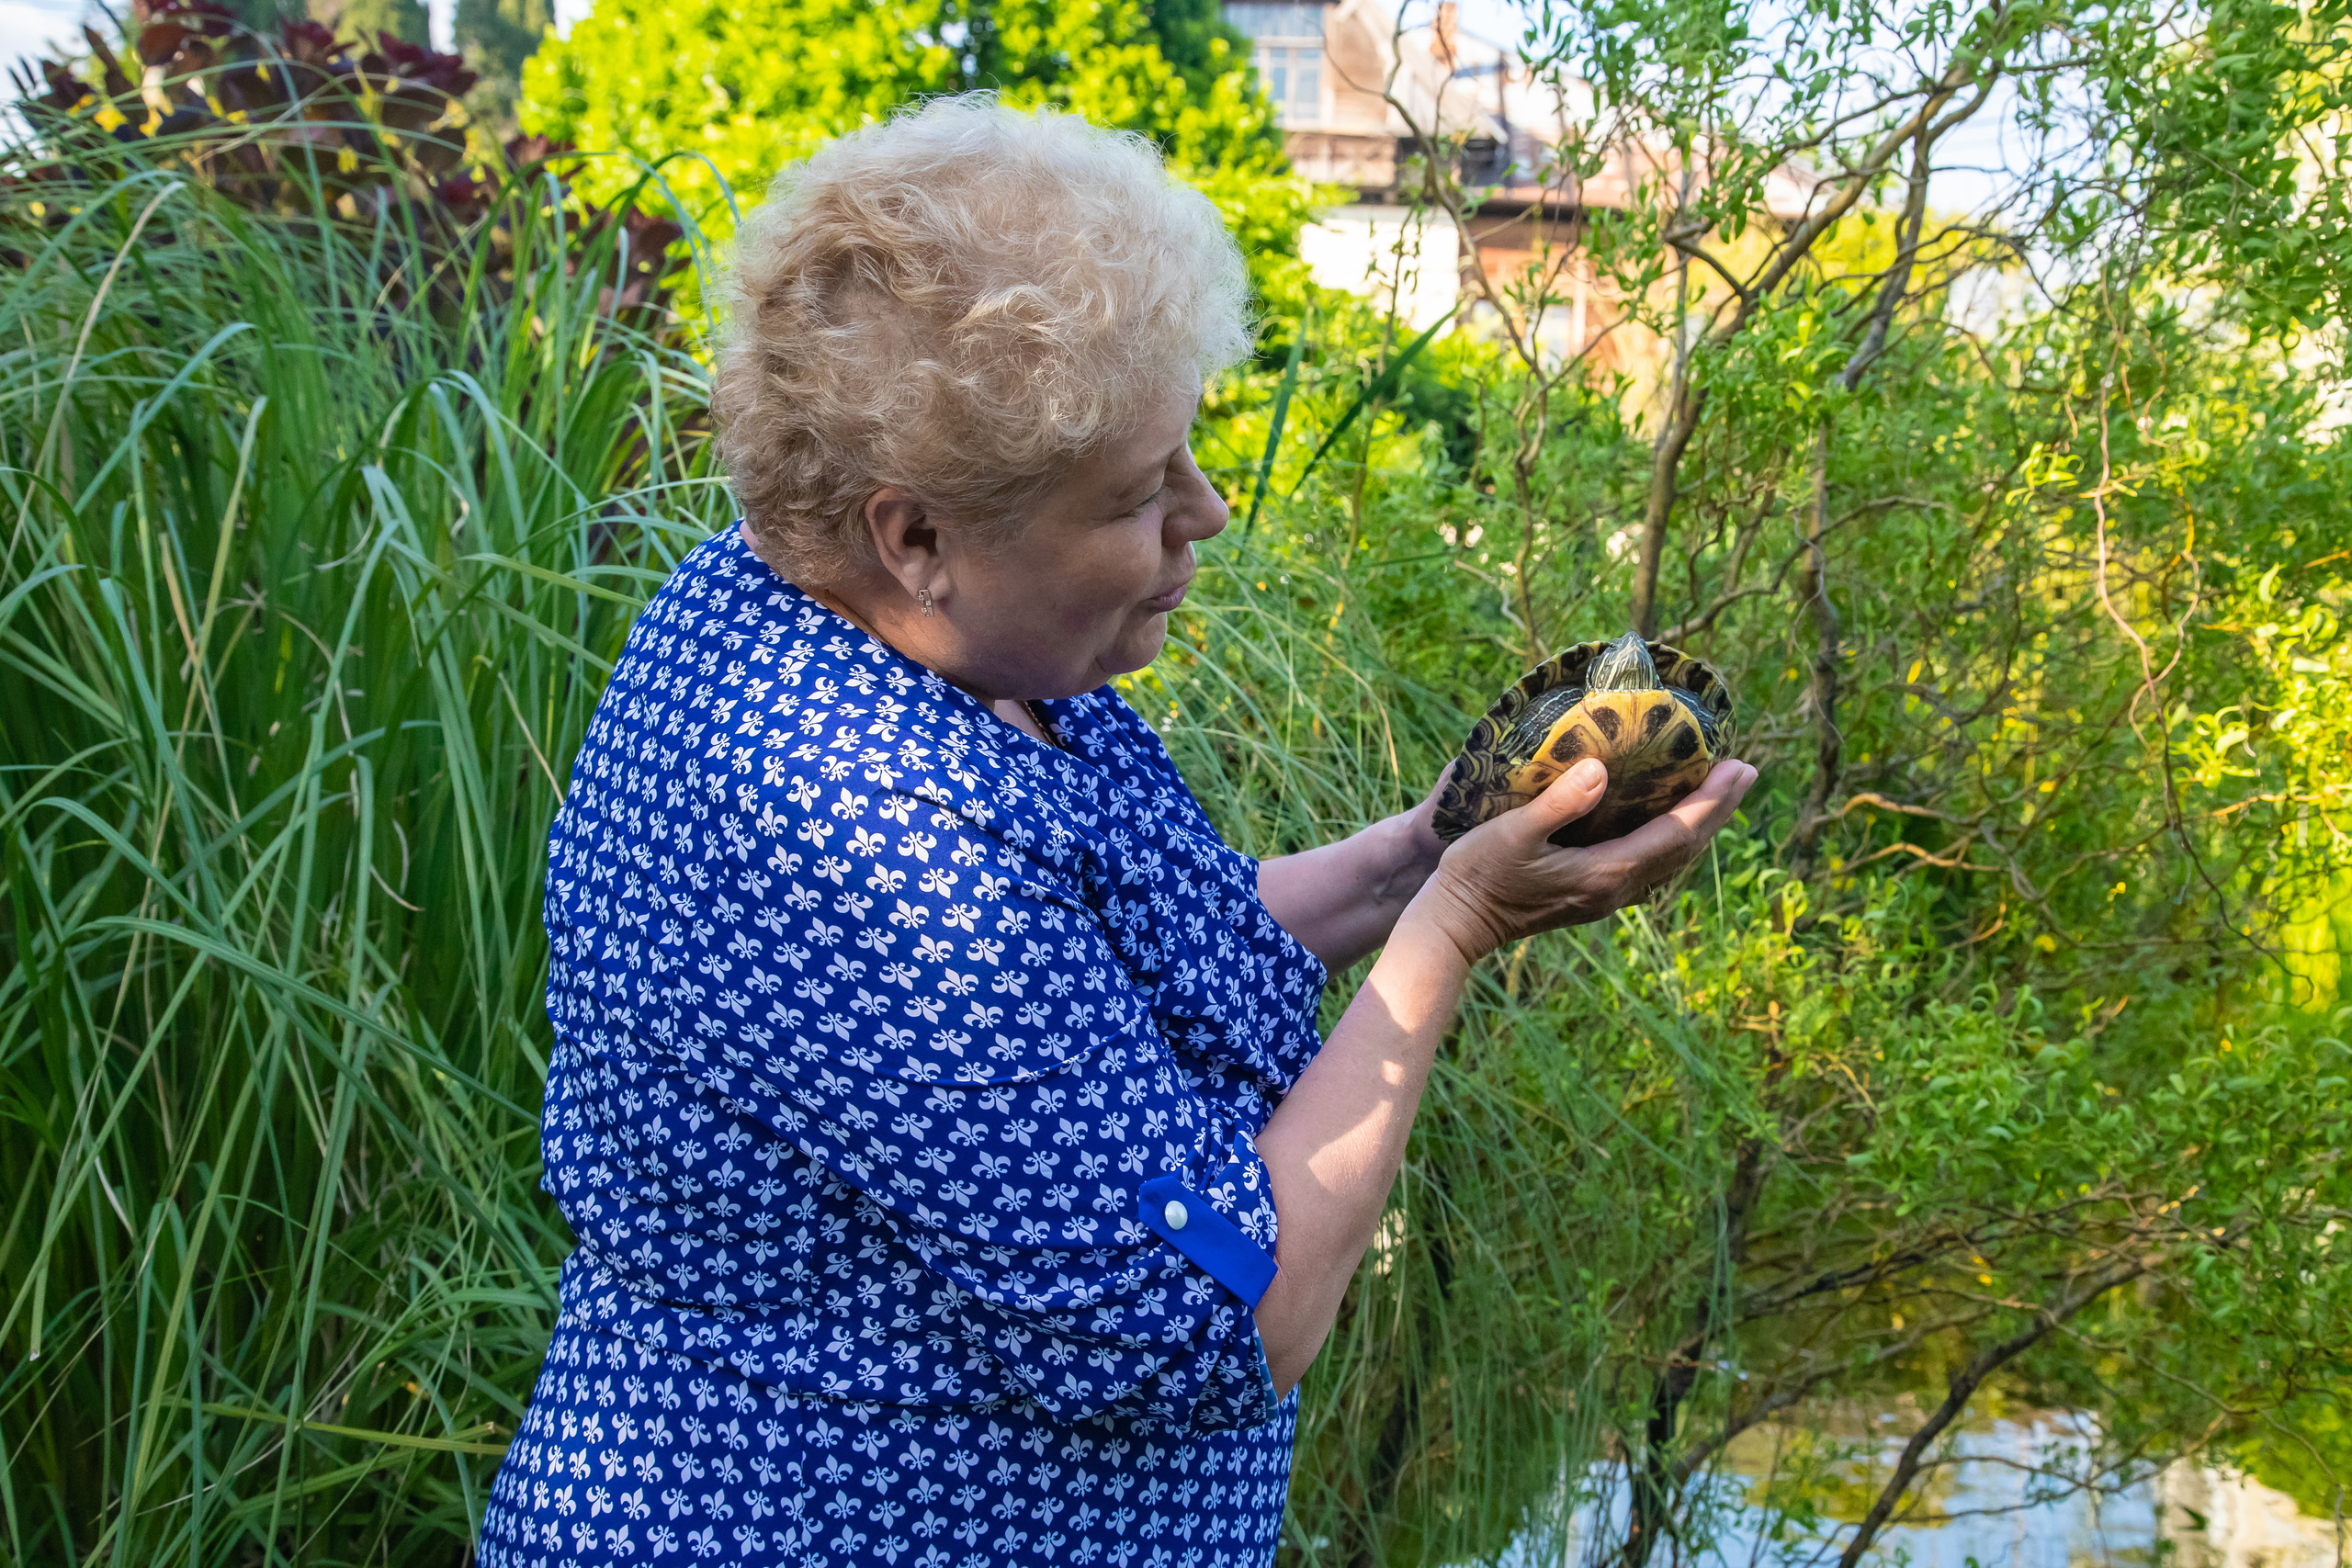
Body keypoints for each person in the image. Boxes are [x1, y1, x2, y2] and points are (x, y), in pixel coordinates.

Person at [476, 93, 1754, 1568]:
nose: (1205, 516)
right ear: (919, 535)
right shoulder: (857, 827)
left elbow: (1116, 974)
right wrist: (1455, 928)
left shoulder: (882, 631)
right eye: (1143, 494)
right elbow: (1225, 1320)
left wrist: (1423, 852)